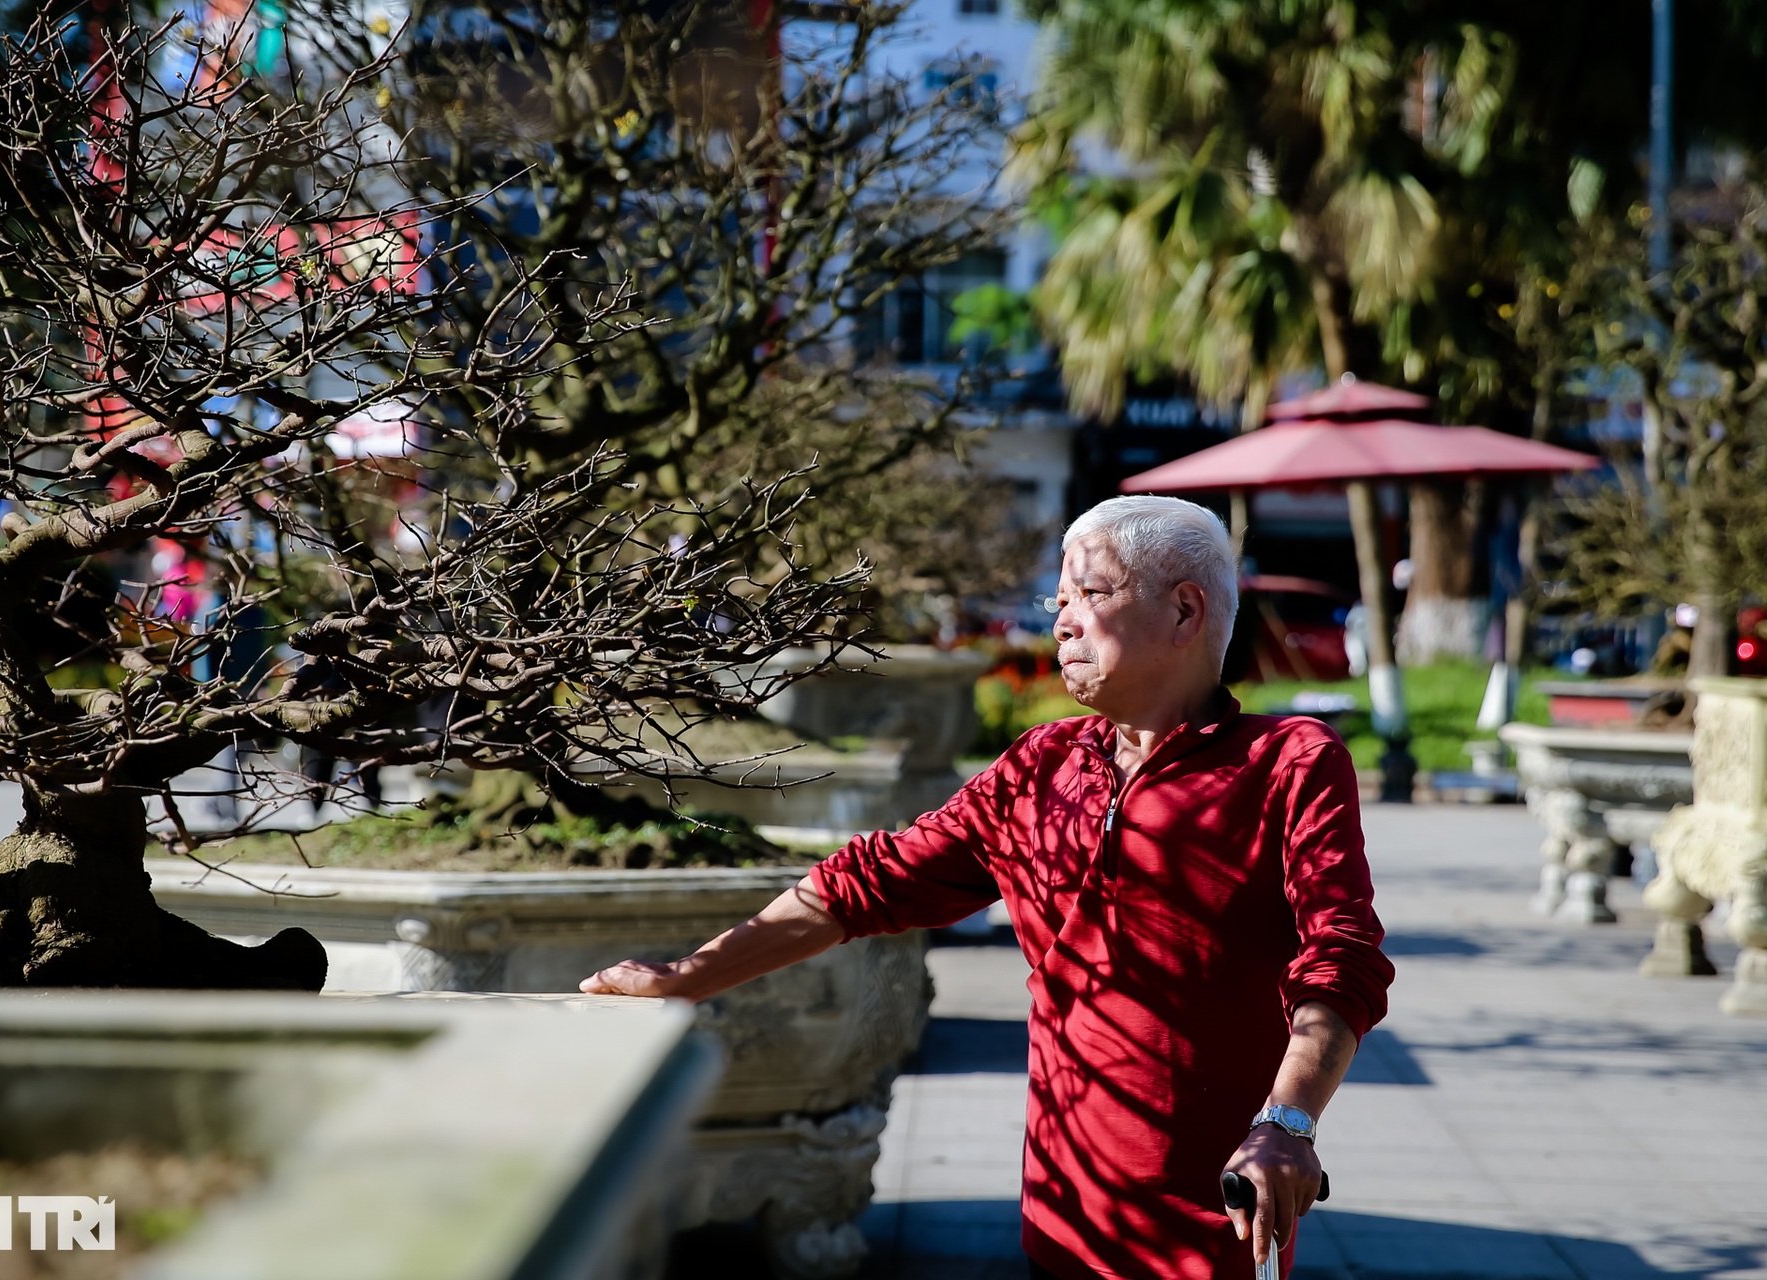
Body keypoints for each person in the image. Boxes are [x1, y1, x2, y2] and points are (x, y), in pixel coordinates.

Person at [582, 496, 1395, 1280]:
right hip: (1064, 1216)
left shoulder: (1288, 760)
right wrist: (686, 978)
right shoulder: (1040, 766)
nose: (1062, 621)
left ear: (1185, 614)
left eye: (1091, 595)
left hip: (1219, 1217)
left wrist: (1286, 1123)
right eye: (1059, 598)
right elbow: (866, 884)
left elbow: (1342, 955)